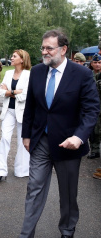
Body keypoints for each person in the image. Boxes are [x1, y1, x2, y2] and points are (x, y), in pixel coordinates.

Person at [19, 29, 100, 238]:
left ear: (63, 49)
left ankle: (67, 230)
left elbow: (92, 110)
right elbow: (31, 106)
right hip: (41, 142)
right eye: (43, 47)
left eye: (49, 48)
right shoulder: (37, 72)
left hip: (68, 143)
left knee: (68, 193)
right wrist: (26, 135)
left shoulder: (82, 74)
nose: (45, 52)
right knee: (34, 189)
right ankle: (26, 234)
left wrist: (79, 136)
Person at [0, 49, 31, 182]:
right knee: (5, 138)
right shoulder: (8, 73)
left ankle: (22, 169)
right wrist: (15, 92)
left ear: (22, 59)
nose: (12, 58)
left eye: (14, 56)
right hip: (8, 110)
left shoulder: (28, 75)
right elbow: (0, 92)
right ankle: (0, 170)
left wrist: (9, 91)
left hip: (23, 112)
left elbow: (26, 95)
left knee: (22, 141)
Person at [88, 53, 101, 159]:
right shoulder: (88, 75)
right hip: (93, 106)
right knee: (93, 130)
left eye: (99, 62)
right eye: (95, 62)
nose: (97, 65)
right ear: (91, 64)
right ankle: (94, 149)